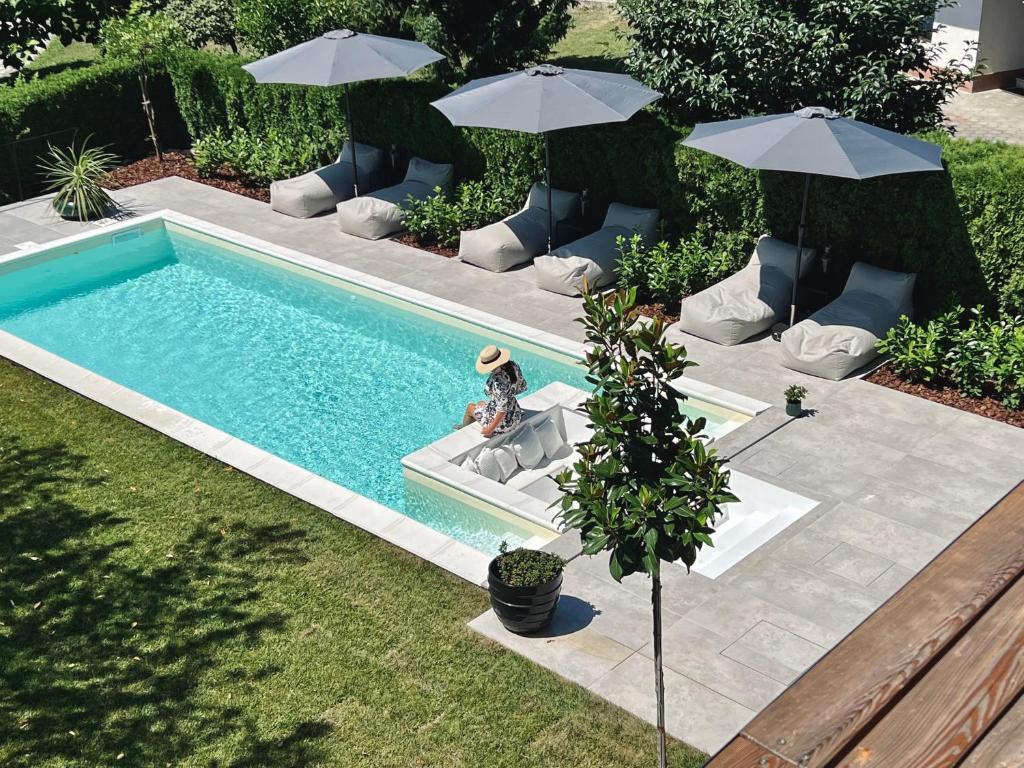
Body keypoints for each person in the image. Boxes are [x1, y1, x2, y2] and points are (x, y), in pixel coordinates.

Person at [458, 344, 527, 437]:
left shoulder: (498, 381)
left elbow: (502, 410)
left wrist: (490, 429)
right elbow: (521, 386)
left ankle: (462, 429)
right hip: (515, 414)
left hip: (505, 424)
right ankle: (475, 419)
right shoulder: (513, 365)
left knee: (470, 407)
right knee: (480, 403)